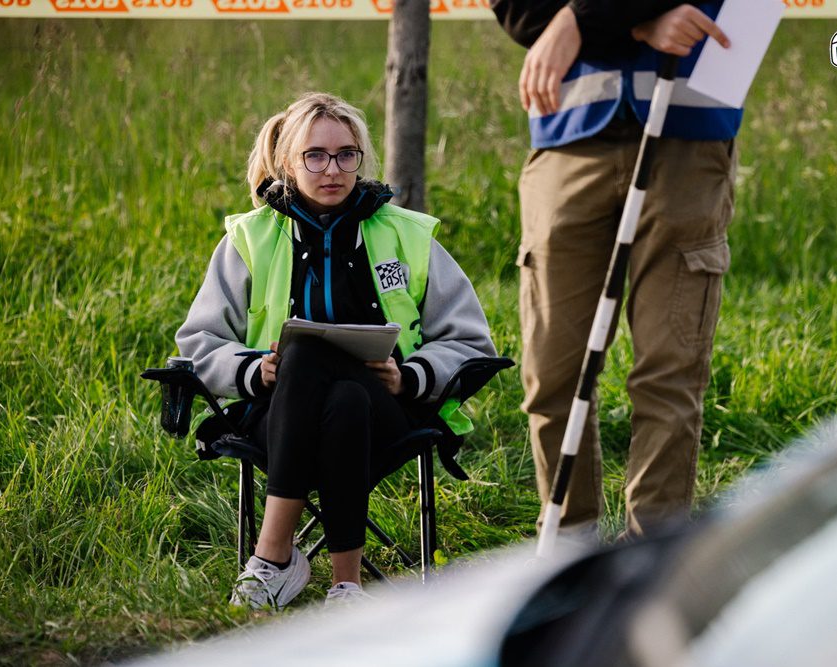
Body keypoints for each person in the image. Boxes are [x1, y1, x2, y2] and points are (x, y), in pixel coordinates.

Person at [176, 92, 496, 609]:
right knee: (325, 380)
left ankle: (273, 557)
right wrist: (256, 370)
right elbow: (198, 340)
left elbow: (471, 340)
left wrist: (409, 376)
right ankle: (347, 587)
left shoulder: (407, 235)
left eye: (347, 154)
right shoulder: (250, 238)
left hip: (388, 412)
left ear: (361, 160)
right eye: (316, 156)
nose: (333, 169)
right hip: (274, 413)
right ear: (288, 162)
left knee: (332, 375)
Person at [491, 1, 741, 541]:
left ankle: (651, 556)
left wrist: (581, 20)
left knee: (668, 372)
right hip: (570, 135)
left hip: (688, 127)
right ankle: (571, 549)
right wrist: (630, 21)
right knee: (552, 374)